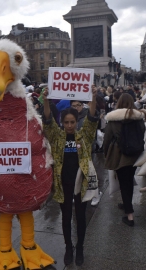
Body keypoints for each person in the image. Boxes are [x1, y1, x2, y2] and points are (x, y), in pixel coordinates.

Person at [42, 86, 98, 266]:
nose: (69, 125)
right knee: (66, 218)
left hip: (80, 184)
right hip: (62, 184)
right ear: (63, 123)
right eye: (66, 122)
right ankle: (68, 247)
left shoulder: (84, 136)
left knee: (80, 217)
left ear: (76, 122)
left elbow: (91, 119)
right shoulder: (58, 137)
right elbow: (49, 121)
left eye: (72, 122)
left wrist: (93, 97)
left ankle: (80, 247)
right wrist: (46, 100)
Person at [103, 93, 146, 226]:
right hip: (134, 155)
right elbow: (142, 134)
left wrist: (106, 155)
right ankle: (127, 204)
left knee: (123, 182)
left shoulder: (113, 119)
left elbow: (107, 139)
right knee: (128, 180)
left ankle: (130, 215)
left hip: (119, 154)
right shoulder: (138, 118)